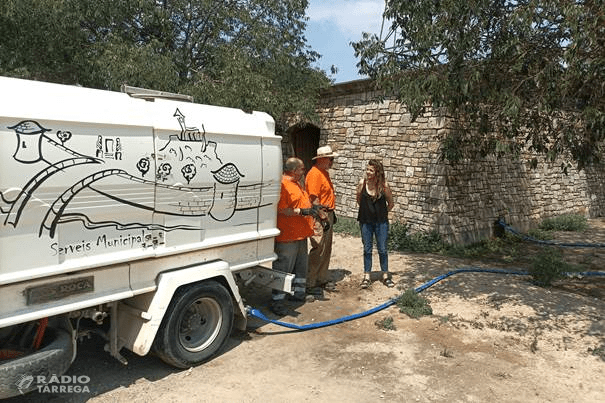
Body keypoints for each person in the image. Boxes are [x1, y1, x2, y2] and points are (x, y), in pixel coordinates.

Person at [270, 157, 318, 316]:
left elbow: (301, 203)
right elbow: (281, 210)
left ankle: (298, 294)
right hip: (288, 236)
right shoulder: (283, 185)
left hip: (300, 235)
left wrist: (313, 209)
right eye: (302, 169)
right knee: (283, 268)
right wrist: (301, 212)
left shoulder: (296, 184)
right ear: (294, 170)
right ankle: (277, 302)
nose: (304, 172)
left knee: (300, 267)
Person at [356, 159, 395, 288]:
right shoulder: (362, 183)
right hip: (365, 222)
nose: (368, 172)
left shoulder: (384, 186)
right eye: (367, 169)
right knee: (367, 249)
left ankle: (385, 275)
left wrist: (381, 213)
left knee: (382, 249)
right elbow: (359, 200)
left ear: (377, 172)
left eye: (371, 170)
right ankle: (367, 276)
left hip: (381, 223)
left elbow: (391, 203)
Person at [305, 145, 339, 295]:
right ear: (322, 159)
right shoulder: (314, 174)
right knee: (318, 248)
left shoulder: (323, 172)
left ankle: (321, 278)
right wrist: (323, 216)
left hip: (327, 213)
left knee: (326, 249)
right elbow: (313, 198)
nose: (332, 162)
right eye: (330, 159)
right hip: (320, 215)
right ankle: (310, 282)